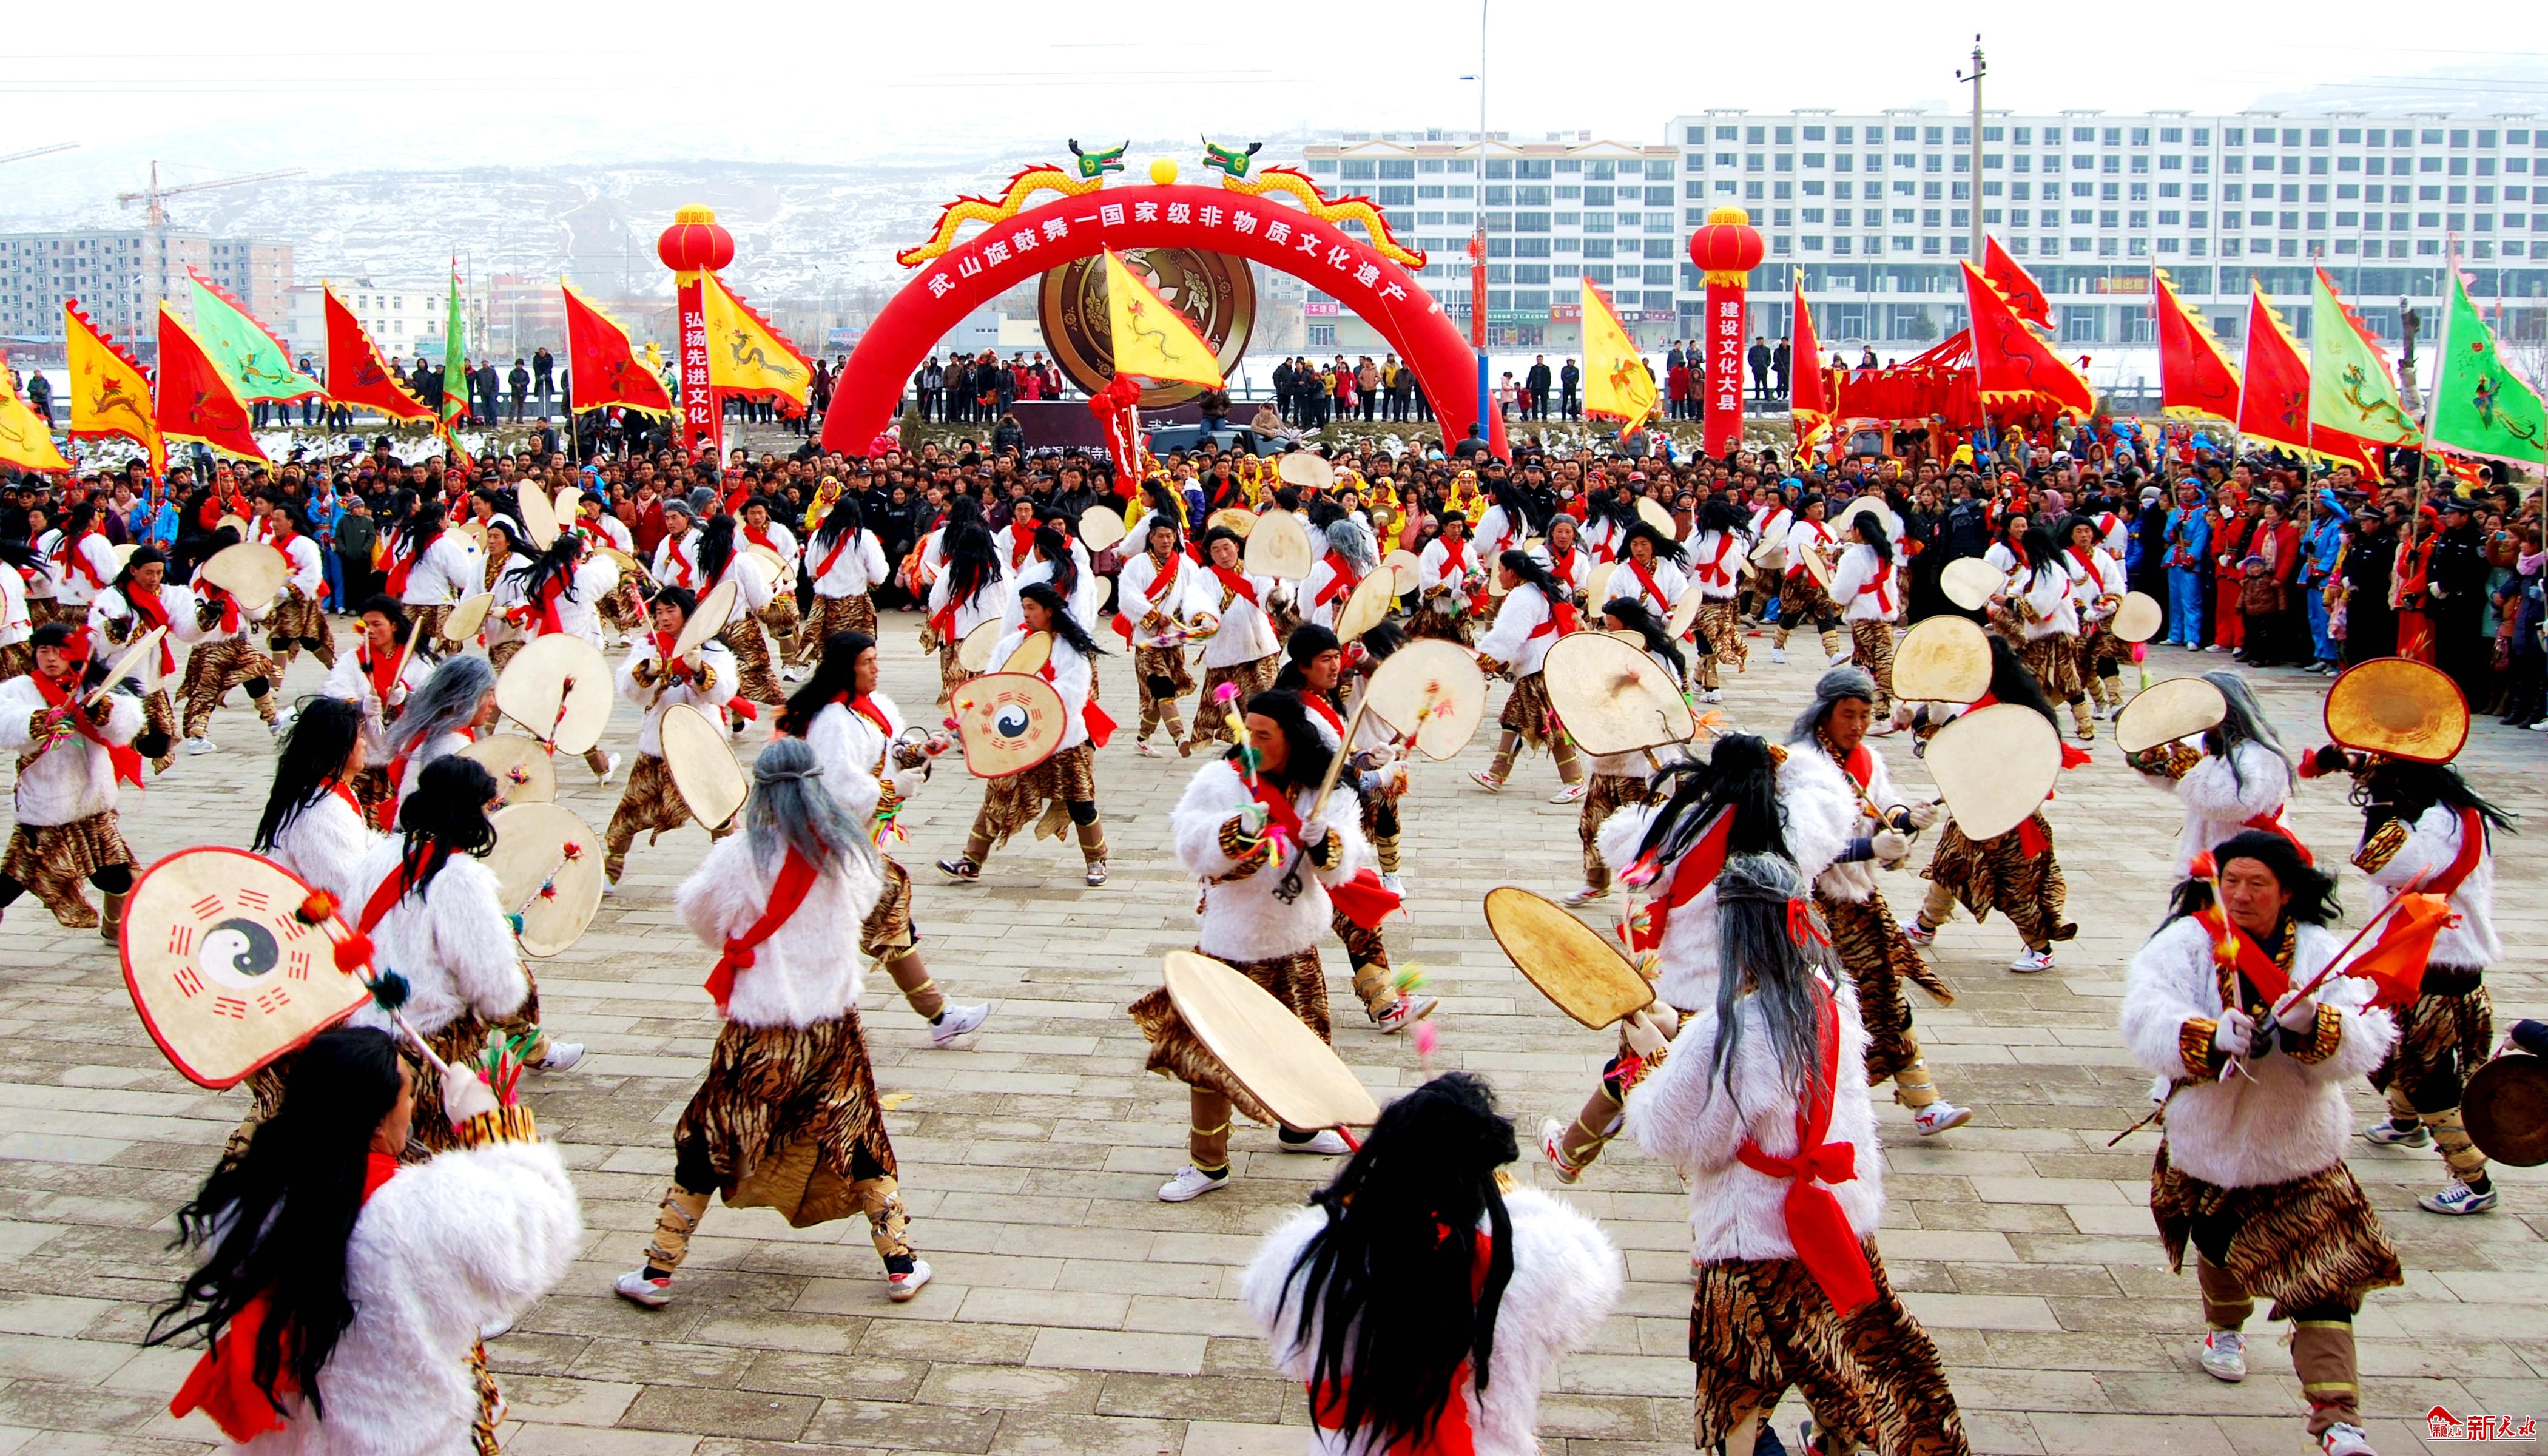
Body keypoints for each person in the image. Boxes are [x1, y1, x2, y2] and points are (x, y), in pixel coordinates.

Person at [1628, 852, 1972, 1456]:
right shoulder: (1832, 993)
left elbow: (1685, 1140)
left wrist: (1654, 1063)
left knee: (1735, 1405)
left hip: (1753, 1242)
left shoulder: (1733, 1027)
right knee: (1843, 1374)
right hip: (1836, 1222)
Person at [150, 1026, 580, 1454]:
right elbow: (537, 1228)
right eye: (409, 1096)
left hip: (294, 1436)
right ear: (378, 1118)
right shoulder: (417, 1210)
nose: (413, 1108)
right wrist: (494, 1126)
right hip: (402, 1435)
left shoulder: (254, 1200)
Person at [615, 737, 934, 1309]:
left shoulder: (740, 855)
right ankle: (901, 1262)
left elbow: (705, 920)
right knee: (856, 1134)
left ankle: (658, 1270)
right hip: (831, 1027)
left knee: (709, 1138)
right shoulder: (849, 852)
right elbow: (865, 908)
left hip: (758, 1032)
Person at [2118, 830, 2399, 1456]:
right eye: (2232, 882)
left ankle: (2337, 1417)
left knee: (2324, 1277)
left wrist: (2317, 1027)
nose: (2241, 896)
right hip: (2209, 1141)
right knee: (2220, 1249)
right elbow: (2144, 1016)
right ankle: (2225, 1325)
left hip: (2297, 1147)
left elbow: (2371, 1034)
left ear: (2288, 892)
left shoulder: (2325, 953)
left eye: (2258, 885)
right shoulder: (2187, 943)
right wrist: (2208, 1034)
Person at [1241, 1072, 1623, 1456]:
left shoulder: (1318, 1258)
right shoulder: (1532, 1257)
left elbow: (1264, 1296)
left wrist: (1357, 1204)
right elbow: (1596, 1268)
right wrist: (1508, 1193)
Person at [1548, 733, 1853, 1184]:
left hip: (1677, 992)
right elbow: (1832, 798)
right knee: (1743, 1084)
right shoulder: (1791, 833)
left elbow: (1618, 836)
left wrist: (1674, 795)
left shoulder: (1679, 828)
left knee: (1632, 1073)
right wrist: (1786, 762)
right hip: (1758, 992)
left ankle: (1572, 1153)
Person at [1134, 688, 1371, 1202]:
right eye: (1252, 732)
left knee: (1303, 1045)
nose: (1254, 741)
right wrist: (1233, 831)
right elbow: (1189, 842)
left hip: (1294, 938)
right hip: (1231, 943)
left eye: (1267, 735)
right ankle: (1208, 1163)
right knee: (1211, 1060)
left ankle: (1300, 1128)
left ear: (1293, 739)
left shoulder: (1324, 786)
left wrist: (1326, 842)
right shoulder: (1223, 780)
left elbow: (1346, 859)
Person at [779, 630, 992, 1048]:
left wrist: (919, 753)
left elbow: (892, 750)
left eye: (877, 660)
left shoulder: (871, 708)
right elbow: (840, 790)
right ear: (846, 668)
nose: (876, 669)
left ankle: (936, 1015)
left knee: (882, 928)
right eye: (867, 663)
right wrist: (892, 790)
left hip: (859, 846)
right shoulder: (833, 722)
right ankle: (936, 1015)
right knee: (885, 925)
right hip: (834, 847)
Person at [2331, 752, 2511, 1217]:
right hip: (2438, 960)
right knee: (2394, 1051)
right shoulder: (2451, 812)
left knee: (2428, 1073)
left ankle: (2474, 1178)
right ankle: (2404, 1120)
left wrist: (2381, 805)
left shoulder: (2435, 825)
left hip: (2434, 968)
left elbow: (2385, 865)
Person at [1791, 666, 1969, 1135]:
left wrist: (1909, 817)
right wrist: (1869, 849)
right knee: (1822, 1004)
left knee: (1886, 992)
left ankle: (1924, 1100)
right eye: (1848, 714)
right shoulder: (1799, 767)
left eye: (1866, 715)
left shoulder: (1867, 758)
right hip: (1813, 907)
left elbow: (1882, 808)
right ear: (1823, 715)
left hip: (1861, 901)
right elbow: (1804, 847)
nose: (1857, 725)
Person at [342, 754, 536, 1149]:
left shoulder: (378, 856)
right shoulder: (462, 878)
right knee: (449, 1160)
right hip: (433, 1047)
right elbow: (494, 985)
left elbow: (351, 929)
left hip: (367, 1041)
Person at [1273, 625, 1431, 1034]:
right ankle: (1384, 1003)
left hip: (1327, 836)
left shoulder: (1322, 702)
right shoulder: (1297, 711)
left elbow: (1334, 761)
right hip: (1304, 835)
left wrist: (1362, 758)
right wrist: (1365, 777)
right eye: (1325, 659)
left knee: (1356, 919)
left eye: (1335, 657)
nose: (1334, 665)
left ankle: (1385, 1003)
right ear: (1303, 666)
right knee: (1341, 922)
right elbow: (1315, 774)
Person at [1901, 638, 2080, 974]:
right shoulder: (1982, 700)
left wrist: (1946, 726)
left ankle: (2041, 948)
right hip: (1973, 806)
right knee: (1949, 864)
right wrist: (1920, 715)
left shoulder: (2012, 710)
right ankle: (1925, 924)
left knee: (2017, 885)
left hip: (2010, 815)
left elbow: (1983, 752)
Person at [937, 582, 1113, 886]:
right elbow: (993, 687)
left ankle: (1097, 860)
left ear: (1049, 611)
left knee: (1080, 802)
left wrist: (1031, 700)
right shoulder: (1010, 645)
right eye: (1024, 607)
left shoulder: (1073, 650)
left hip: (1064, 739)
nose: (1026, 613)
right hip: (1017, 741)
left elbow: (1073, 695)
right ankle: (971, 860)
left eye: (1032, 607)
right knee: (998, 796)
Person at [0, 621, 144, 934]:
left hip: (91, 802)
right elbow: (4, 720)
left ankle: (115, 924)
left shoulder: (91, 686)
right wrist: (39, 721)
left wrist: (104, 713)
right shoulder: (20, 689)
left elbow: (128, 723)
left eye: (60, 651)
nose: (51, 658)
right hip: (45, 806)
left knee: (116, 876)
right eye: (44, 651)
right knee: (12, 881)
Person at [605, 586, 740, 888]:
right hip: (658, 743)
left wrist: (698, 668)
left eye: (671, 611)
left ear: (686, 612)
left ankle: (732, 871)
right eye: (658, 612)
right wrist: (647, 671)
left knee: (719, 810)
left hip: (701, 742)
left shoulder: (712, 650)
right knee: (630, 812)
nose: (663, 618)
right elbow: (631, 692)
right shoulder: (648, 647)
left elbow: (723, 692)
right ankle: (610, 868)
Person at [1562, 597, 1684, 908]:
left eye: (1611, 620)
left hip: (1642, 759)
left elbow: (1671, 703)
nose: (1606, 625)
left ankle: (1652, 890)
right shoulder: (1608, 653)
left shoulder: (1660, 659)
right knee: (1593, 820)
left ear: (1627, 623)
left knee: (1639, 827)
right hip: (1608, 753)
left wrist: (1634, 685)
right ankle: (1595, 882)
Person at [2125, 669, 2299, 875]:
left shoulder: (2262, 756)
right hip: (2203, 859)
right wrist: (2155, 762)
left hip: (2247, 859)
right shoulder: (2206, 741)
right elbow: (2176, 780)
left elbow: (2235, 804)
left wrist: (2190, 770)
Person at [1469, 550, 1586, 804]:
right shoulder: (1532, 591)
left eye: (1500, 571)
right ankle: (1496, 774)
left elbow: (1509, 636)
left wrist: (1487, 659)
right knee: (1513, 719)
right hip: (1541, 663)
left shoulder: (1522, 597)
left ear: (1512, 572)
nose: (1497, 576)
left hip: (1538, 667)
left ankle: (1575, 781)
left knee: (1551, 725)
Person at [254, 696, 379, 914]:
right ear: (338, 747)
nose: (364, 743)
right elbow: (345, 889)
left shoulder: (327, 792)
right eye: (359, 737)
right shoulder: (320, 812)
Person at [321, 596, 437, 818]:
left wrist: (407, 698)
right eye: (366, 625)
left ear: (394, 625)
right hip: (365, 756)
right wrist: (358, 706)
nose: (371, 631)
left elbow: (433, 701)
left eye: (377, 624)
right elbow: (335, 696)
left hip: (404, 755)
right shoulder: (352, 661)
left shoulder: (416, 661)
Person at [177, 528, 288, 753]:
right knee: (255, 679)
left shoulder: (201, 570)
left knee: (207, 688)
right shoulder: (236, 573)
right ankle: (274, 722)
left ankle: (198, 736)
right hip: (233, 639)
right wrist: (270, 598)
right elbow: (253, 609)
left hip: (206, 639)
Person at [1992, 524, 2094, 742]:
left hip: (2058, 635)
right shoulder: (2034, 574)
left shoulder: (2052, 572)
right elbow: (2017, 591)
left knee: (2067, 681)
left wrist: (2011, 602)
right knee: (2030, 680)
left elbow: (2041, 605)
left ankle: (2086, 728)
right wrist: (2003, 596)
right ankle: (2035, 727)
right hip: (2039, 637)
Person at [87, 546, 183, 775]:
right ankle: (113, 766)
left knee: (159, 741)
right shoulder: (112, 598)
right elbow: (97, 638)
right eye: (149, 573)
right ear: (133, 570)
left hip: (150, 676)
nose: (155, 579)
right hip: (120, 676)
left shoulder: (164, 594)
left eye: (159, 572)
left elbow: (186, 622)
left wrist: (204, 618)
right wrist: (115, 631)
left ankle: (124, 759)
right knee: (122, 732)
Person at [1182, 526, 1281, 742]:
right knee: (1233, 715)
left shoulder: (1255, 569)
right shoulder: (1205, 577)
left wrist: (1277, 594)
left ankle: (1265, 749)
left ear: (1236, 546)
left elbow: (1267, 593)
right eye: (1216, 550)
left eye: (1227, 547)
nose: (1223, 555)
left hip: (1259, 650)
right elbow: (1197, 599)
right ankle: (1243, 754)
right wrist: (1204, 617)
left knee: (1265, 704)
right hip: (1226, 655)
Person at [1116, 510, 1200, 757]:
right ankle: (1180, 737)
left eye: (1170, 535)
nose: (1165, 541)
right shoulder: (1138, 566)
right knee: (1161, 686)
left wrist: (1193, 616)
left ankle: (1143, 738)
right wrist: (1152, 615)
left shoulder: (1187, 565)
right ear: (1150, 538)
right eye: (1160, 536)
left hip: (1174, 638)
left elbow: (1197, 594)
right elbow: (1128, 597)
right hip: (1148, 640)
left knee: (1160, 696)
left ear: (1176, 537)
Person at [382, 653, 497, 817]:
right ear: (465, 697)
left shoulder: (436, 733)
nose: (493, 702)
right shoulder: (452, 746)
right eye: (488, 694)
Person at [795, 492, 888, 666]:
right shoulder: (864, 537)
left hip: (826, 602)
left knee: (828, 646)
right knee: (856, 648)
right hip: (856, 602)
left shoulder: (819, 536)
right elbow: (878, 574)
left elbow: (812, 570)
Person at [1827, 517, 1900, 716]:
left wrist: (1835, 595)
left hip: (1863, 615)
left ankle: (1881, 711)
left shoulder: (1855, 556)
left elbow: (1843, 591)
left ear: (1859, 531)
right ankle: (1868, 707)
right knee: (1871, 659)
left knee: (1873, 663)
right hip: (1883, 615)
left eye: (1852, 529)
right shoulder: (1885, 553)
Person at [1684, 497, 1751, 704]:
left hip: (1701, 597)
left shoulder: (1697, 540)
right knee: (1711, 642)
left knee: (1708, 643)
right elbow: (1738, 566)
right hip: (1723, 599)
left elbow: (1686, 567)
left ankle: (1707, 682)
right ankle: (1709, 683)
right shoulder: (1735, 542)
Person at [1773, 497, 1842, 667]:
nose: (1820, 510)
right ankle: (1777, 646)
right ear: (1807, 510)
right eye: (1816, 507)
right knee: (1791, 615)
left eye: (1821, 506)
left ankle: (1833, 653)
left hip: (1821, 577)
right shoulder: (1800, 528)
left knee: (1824, 613)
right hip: (1802, 579)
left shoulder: (1827, 528)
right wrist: (1825, 550)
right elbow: (1800, 553)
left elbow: (1833, 550)